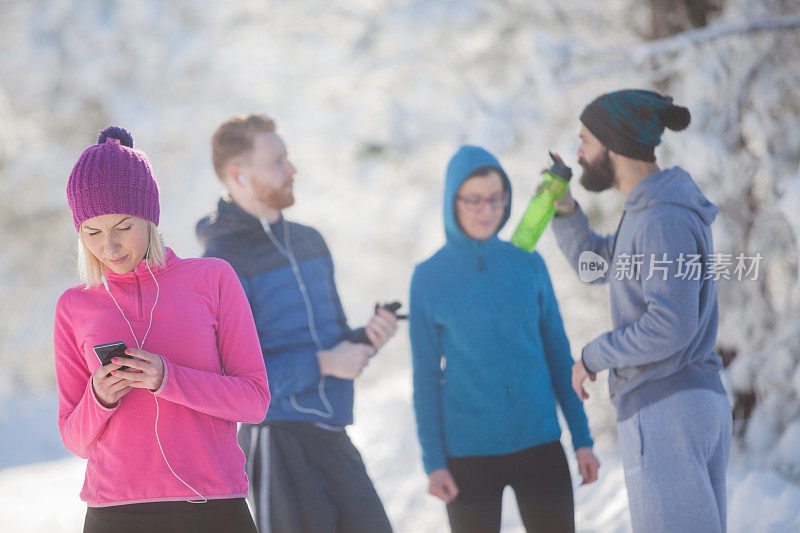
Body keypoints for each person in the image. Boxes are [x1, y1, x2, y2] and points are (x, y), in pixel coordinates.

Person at [54, 126, 270, 533]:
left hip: (213, 506)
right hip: (114, 514)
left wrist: (168, 379)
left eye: (123, 226)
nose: (110, 248)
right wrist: (99, 397)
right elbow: (74, 439)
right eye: (92, 233)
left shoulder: (212, 278)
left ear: (150, 218)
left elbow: (254, 401)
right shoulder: (74, 305)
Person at [196, 113, 398, 533]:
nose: (292, 170)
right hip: (276, 440)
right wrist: (324, 363)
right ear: (240, 176)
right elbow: (230, 377)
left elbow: (332, 338)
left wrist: (365, 339)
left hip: (332, 433)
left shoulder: (310, 241)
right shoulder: (221, 264)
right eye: (277, 162)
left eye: (287, 158)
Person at [550, 89, 732, 532]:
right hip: (684, 403)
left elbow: (670, 326)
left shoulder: (659, 219)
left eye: (586, 140)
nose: (578, 152)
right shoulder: (649, 212)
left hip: (667, 408)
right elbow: (595, 265)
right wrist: (565, 209)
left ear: (616, 145)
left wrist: (593, 355)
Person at [409, 145, 600, 533]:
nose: (487, 210)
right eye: (474, 200)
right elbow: (425, 379)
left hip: (540, 445)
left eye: (497, 199)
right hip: (468, 457)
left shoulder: (527, 265)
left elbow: (558, 355)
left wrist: (582, 438)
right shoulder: (429, 278)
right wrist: (434, 463)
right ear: (452, 201)